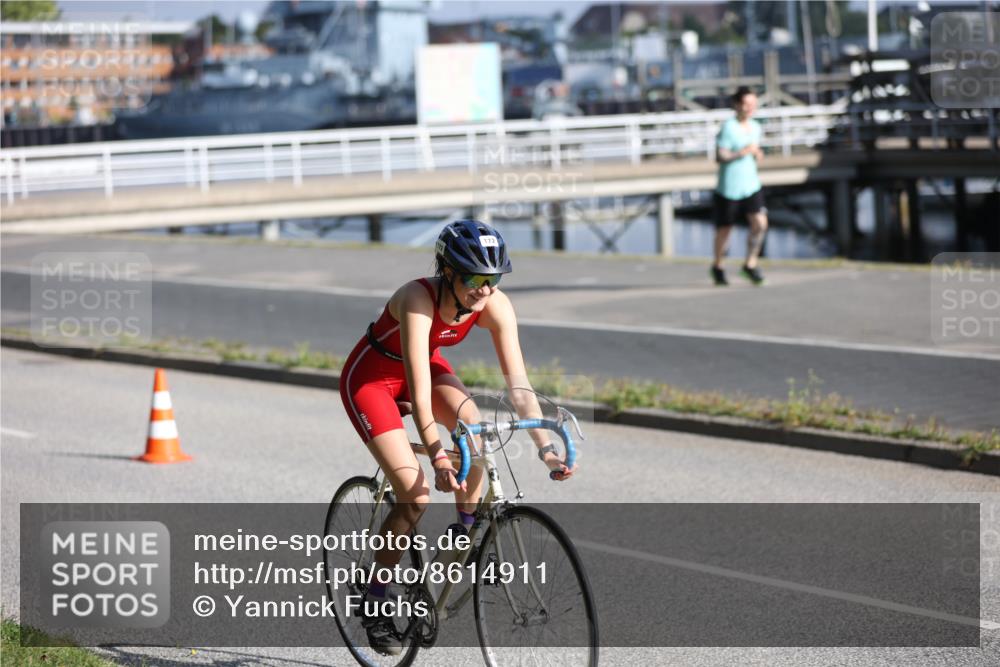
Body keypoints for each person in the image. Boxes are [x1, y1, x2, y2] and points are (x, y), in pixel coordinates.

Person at [339, 219, 576, 655]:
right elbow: (421, 394)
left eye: (493, 280)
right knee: (415, 492)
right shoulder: (416, 298)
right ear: (447, 271)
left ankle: (461, 541)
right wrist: (437, 455)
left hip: (426, 373)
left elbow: (519, 388)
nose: (484, 290)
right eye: (474, 279)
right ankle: (373, 598)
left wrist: (545, 448)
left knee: (476, 437)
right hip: (373, 379)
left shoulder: (495, 304)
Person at [711, 86, 769, 286]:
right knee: (725, 231)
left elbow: (755, 150)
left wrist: (757, 153)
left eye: (753, 104)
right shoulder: (729, 127)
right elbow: (720, 156)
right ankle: (718, 266)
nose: (750, 108)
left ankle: (750, 265)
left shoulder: (756, 127)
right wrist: (741, 153)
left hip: (751, 185)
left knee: (760, 224)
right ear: (737, 105)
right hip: (729, 188)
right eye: (747, 104)